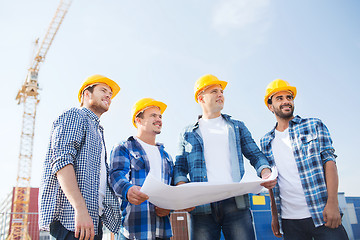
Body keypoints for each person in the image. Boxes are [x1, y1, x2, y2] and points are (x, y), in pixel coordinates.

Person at [174, 74, 277, 240]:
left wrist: (265, 172)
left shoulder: (236, 127)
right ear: (201, 98)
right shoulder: (187, 133)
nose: (220, 94)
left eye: (221, 91)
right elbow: (179, 167)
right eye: (214, 91)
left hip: (235, 202)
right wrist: (183, 193)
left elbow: (255, 154)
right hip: (202, 205)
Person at [260, 79, 349, 240]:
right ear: (270, 106)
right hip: (289, 222)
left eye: (289, 97)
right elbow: (271, 182)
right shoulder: (266, 141)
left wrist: (333, 203)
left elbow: (329, 162)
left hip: (323, 214)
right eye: (279, 98)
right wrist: (274, 216)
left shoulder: (314, 125)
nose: (286, 101)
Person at [39, 74, 121, 240]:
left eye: (110, 94)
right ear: (86, 94)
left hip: (90, 219)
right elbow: (62, 162)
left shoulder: (98, 130)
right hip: (73, 219)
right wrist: (80, 208)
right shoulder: (75, 115)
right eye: (103, 90)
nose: (108, 96)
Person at [109, 98, 174, 240]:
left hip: (163, 232)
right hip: (133, 231)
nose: (159, 119)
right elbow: (116, 175)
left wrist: (169, 206)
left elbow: (172, 190)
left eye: (160, 116)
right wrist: (127, 190)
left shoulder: (167, 157)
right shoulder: (124, 147)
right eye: (153, 115)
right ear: (138, 120)